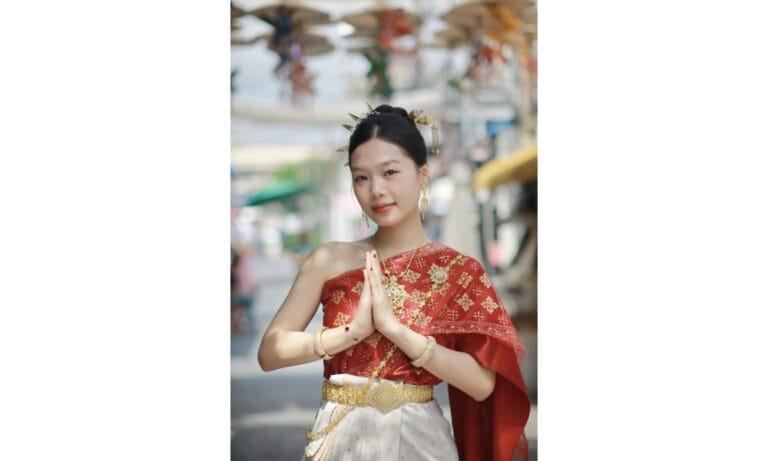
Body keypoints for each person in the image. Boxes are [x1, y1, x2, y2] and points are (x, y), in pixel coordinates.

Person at [257, 104, 530, 461]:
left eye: (389, 172)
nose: (376, 190)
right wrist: (352, 333)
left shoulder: (458, 271)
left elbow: (483, 385)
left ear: (422, 173)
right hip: (340, 438)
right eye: (361, 177)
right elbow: (269, 353)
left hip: (420, 440)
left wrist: (396, 330)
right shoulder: (328, 259)